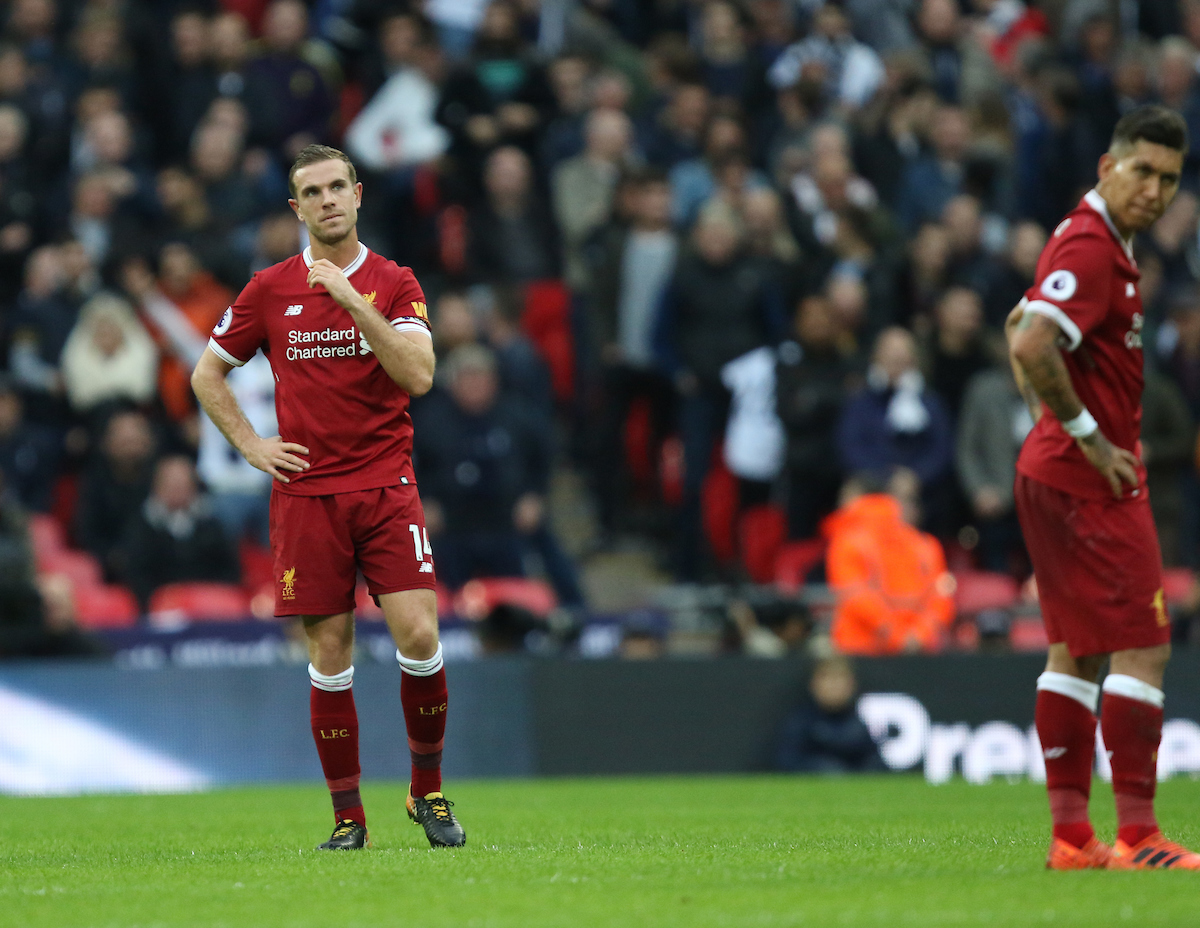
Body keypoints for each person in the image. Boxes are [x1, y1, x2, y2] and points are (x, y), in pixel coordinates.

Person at [191, 144, 465, 851]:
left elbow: (419, 375)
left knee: (421, 635)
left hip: (385, 485)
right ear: (296, 208)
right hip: (309, 495)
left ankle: (426, 792)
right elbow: (207, 375)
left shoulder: (394, 282)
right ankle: (349, 817)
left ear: (359, 193)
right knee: (330, 652)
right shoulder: (269, 287)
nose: (327, 201)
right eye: (311, 193)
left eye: (337, 186)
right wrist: (253, 447)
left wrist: (349, 299)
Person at [1006, 105, 1200, 870]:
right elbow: (1031, 337)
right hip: (1091, 481)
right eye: (1143, 171)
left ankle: (1072, 838)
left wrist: (1045, 418)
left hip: (1056, 474)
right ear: (1108, 166)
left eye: (1169, 180)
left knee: (1076, 652)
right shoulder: (1091, 248)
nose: (1154, 190)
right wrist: (1086, 435)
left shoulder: (1092, 240)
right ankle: (1141, 836)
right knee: (1145, 648)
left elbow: (1019, 318)